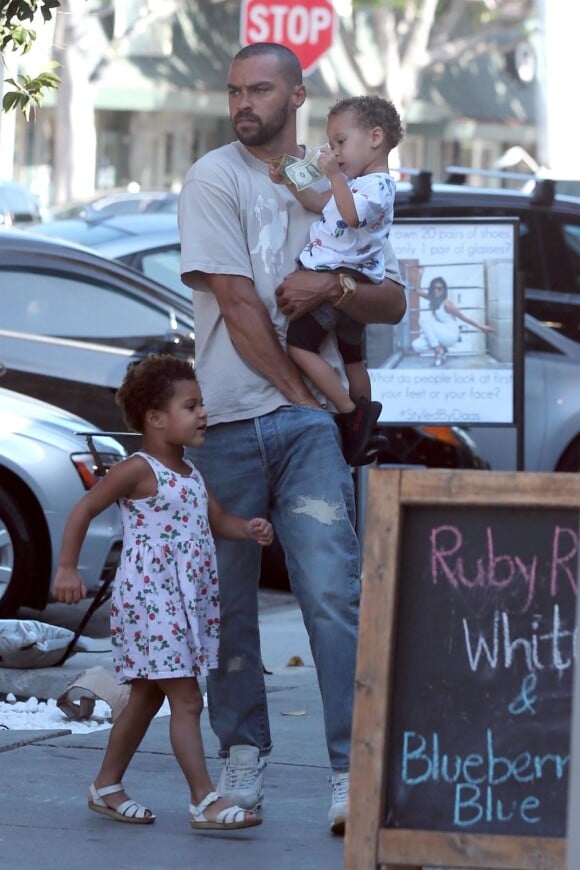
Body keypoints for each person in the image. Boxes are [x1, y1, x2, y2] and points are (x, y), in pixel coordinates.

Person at [178, 42, 406, 835]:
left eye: (260, 89)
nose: (243, 103)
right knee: (229, 608)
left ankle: (351, 772)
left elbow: (390, 301)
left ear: (298, 95)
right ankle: (244, 759)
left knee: (334, 596)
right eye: (234, 90)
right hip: (230, 424)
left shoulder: (336, 174)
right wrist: (305, 395)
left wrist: (333, 285)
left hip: (304, 427)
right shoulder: (214, 177)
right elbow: (240, 306)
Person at [51, 354, 273, 832]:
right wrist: (67, 566)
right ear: (155, 419)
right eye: (190, 406)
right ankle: (203, 800)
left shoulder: (193, 474)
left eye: (201, 405)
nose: (203, 414)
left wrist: (248, 528)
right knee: (187, 700)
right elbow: (84, 509)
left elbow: (217, 523)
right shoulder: (138, 469)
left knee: (149, 695)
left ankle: (106, 785)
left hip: (182, 604)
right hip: (151, 602)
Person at [269, 95, 404, 465]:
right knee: (353, 358)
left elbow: (351, 216)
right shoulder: (353, 183)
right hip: (351, 280)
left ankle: (351, 414)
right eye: (331, 145)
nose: (334, 152)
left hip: (339, 277)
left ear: (375, 137)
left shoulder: (376, 187)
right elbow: (319, 204)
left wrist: (332, 174)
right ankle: (365, 420)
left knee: (299, 347)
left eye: (340, 142)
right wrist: (289, 183)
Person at [412, 275, 494, 366]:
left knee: (423, 319)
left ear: (444, 290)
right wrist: (420, 274)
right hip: (441, 333)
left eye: (439, 288)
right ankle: (441, 349)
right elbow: (418, 291)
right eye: (434, 288)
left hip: (450, 334)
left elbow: (463, 317)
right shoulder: (432, 298)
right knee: (417, 345)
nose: (436, 291)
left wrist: (481, 327)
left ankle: (438, 349)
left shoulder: (447, 304)